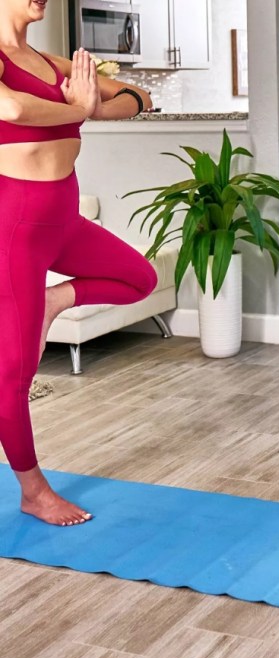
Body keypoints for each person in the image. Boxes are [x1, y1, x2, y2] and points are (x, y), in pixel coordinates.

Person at [0, 0, 158, 526]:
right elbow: (15, 111)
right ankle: (32, 489)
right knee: (14, 372)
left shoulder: (52, 63)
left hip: (63, 216)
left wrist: (89, 102)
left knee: (140, 278)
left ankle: (53, 301)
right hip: (15, 226)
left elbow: (139, 97)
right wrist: (80, 107)